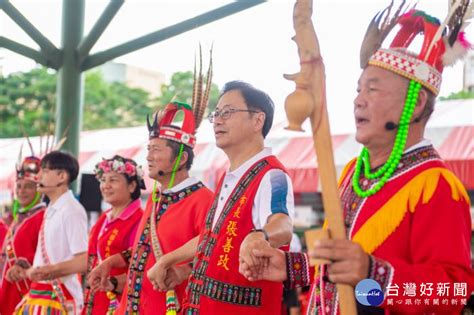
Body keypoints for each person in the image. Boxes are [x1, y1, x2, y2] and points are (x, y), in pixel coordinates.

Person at [240, 6, 473, 315]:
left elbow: (451, 293)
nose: (358, 100)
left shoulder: (435, 186)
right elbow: (335, 269)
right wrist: (289, 267)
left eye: (372, 90)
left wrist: (374, 273)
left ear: (414, 104)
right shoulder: (353, 171)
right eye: (358, 89)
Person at [152, 81, 295, 314]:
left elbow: (282, 223)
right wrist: (168, 261)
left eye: (227, 112)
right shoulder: (228, 178)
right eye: (216, 114)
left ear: (258, 120)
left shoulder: (272, 175)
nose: (217, 120)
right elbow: (211, 236)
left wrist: (261, 235)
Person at [87, 102, 214, 314]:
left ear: (181, 158)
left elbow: (214, 250)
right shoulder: (157, 199)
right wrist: (111, 262)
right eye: (148, 149)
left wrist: (185, 270)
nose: (148, 156)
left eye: (156, 149)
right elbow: (143, 249)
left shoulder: (203, 200)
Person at [15, 151, 88, 314]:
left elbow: (83, 261)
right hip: (42, 294)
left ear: (62, 176)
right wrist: (31, 268)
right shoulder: (52, 208)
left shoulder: (71, 210)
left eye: (45, 171)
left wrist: (49, 271)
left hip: (59, 296)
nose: (38, 176)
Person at [82, 155, 145, 315]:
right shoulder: (105, 217)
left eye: (113, 180)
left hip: (120, 302)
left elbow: (141, 266)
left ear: (132, 186)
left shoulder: (139, 219)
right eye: (103, 180)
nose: (106, 186)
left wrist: (114, 283)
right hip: (96, 300)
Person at [1, 156, 46, 315]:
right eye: (18, 186)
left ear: (39, 189)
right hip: (9, 285)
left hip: (28, 288)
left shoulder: (42, 216)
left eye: (28, 187)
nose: (21, 191)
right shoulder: (19, 217)